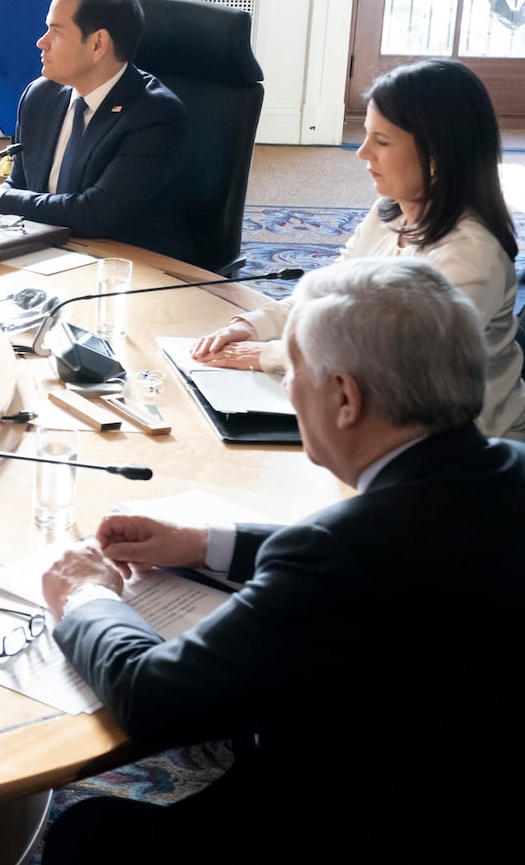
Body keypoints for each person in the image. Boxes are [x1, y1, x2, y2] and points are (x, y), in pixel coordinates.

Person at [39, 256, 524, 864]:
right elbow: (410, 549)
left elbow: (153, 698)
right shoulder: (505, 468)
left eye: (293, 372)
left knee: (90, 835)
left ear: (345, 397)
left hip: (354, 824)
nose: (290, 389)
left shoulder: (338, 552)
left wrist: (86, 592)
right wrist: (206, 540)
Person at [192, 57, 525, 439]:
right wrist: (252, 326)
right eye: (366, 135)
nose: (362, 152)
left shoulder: (471, 254)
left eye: (381, 141)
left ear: (437, 157)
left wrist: (268, 357)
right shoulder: (390, 212)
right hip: (387, 418)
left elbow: (391, 362)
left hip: (465, 448)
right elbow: (328, 296)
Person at [0, 0, 193, 262]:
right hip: (47, 254)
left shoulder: (155, 115)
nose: (41, 42)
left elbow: (94, 213)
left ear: (97, 44)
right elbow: (20, 184)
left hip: (125, 268)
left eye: (55, 32)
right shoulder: (40, 96)